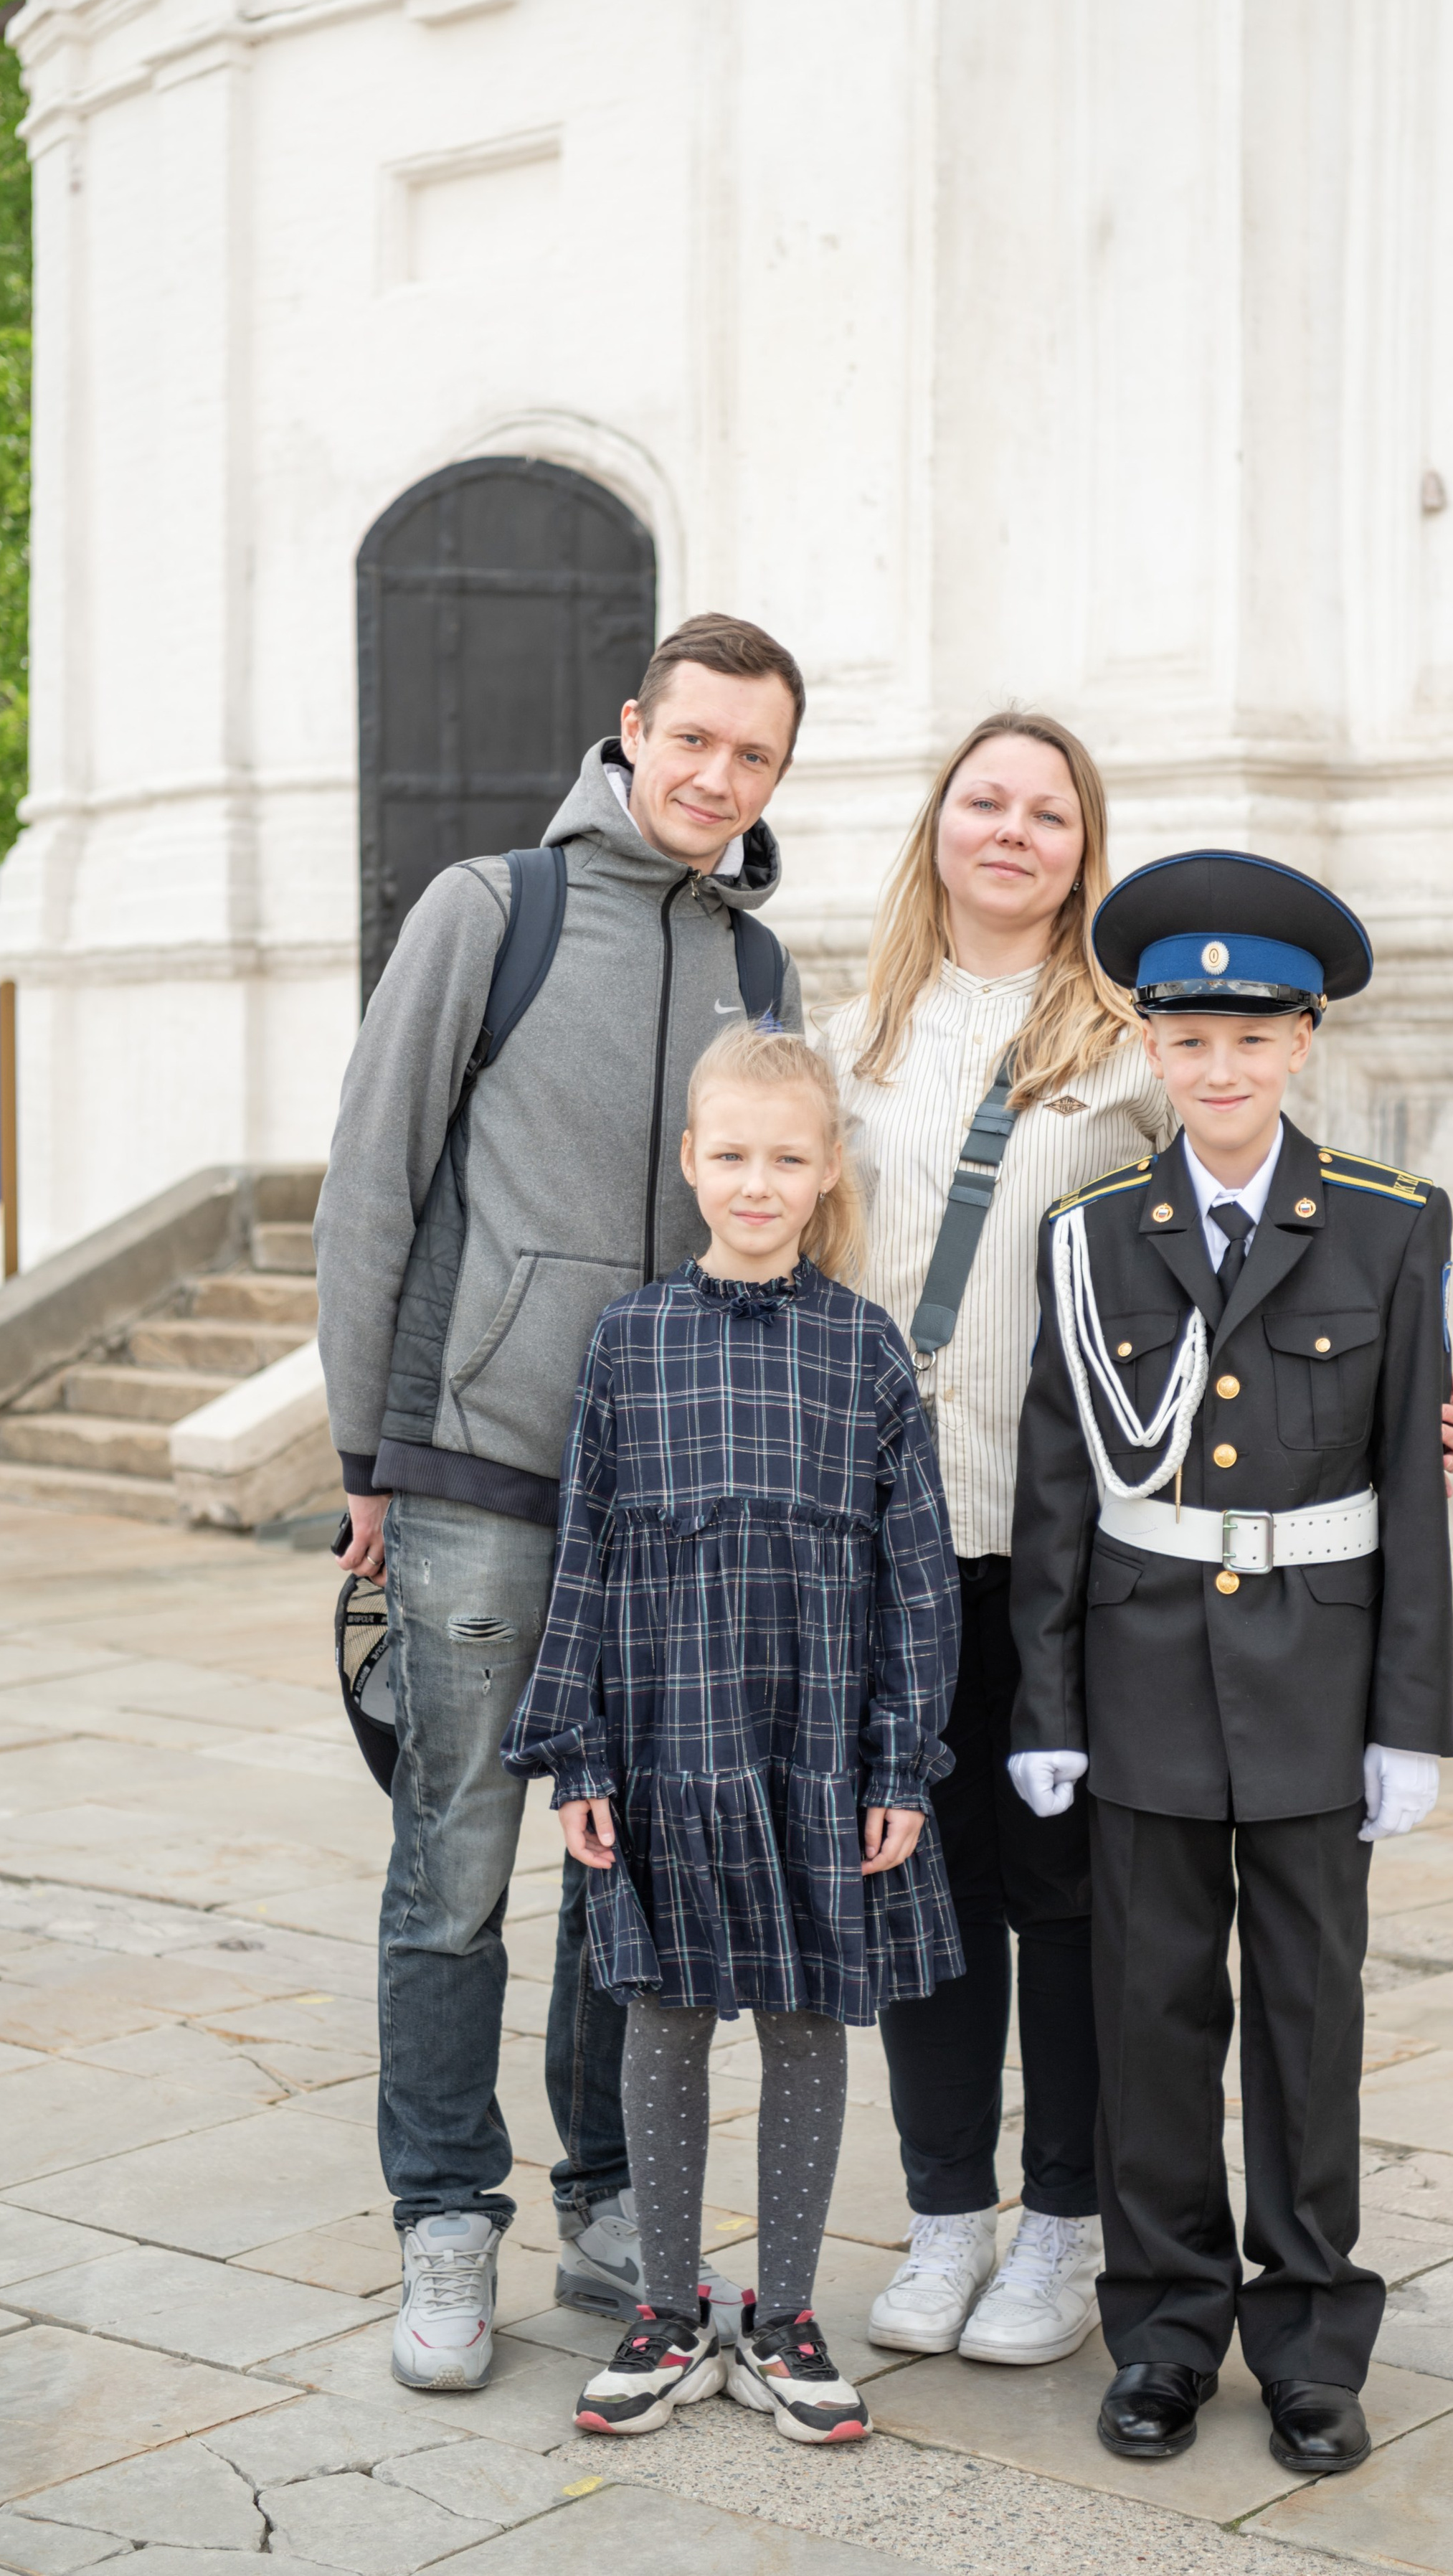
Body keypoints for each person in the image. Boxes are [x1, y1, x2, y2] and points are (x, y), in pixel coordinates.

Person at [821, 717, 1453, 2369]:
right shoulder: (847, 1040)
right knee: (966, 1911)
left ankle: (1122, 2255)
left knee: (1156, 1952)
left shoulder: (1151, 1068)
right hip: (928, 1550)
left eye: (1048, 809)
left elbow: (1316, 1340)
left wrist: (1408, 1478)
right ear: (935, 825)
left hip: (1179, 1595)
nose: (1012, 829)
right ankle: (1026, 2252)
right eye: (983, 798)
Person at [314, 614, 807, 2390]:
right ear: (633, 729)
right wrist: (363, 1452)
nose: (715, 778)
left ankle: (607, 2195)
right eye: (695, 740)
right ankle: (447, 2216)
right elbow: (373, 1176)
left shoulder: (761, 967)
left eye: (752, 757)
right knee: (452, 1860)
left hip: (673, 1502)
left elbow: (776, 1224)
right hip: (475, 1475)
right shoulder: (489, 908)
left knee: (628, 1867)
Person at [1007, 849, 1453, 2477]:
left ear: (1302, 1044)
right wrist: (1043, 1706)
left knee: (1306, 2025)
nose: (1217, 1067)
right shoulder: (1090, 1233)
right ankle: (1166, 2325)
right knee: (1148, 2015)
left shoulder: (1390, 1227)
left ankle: (1313, 2336)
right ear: (1147, 1045)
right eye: (1186, 1037)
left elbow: (1408, 1480)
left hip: (1314, 1685)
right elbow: (1057, 1484)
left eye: (1250, 1037)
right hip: (1134, 1682)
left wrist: (1410, 1720)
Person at [503, 1024, 962, 2443]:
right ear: (690, 1161)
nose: (754, 1182)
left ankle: (783, 2314)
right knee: (664, 2011)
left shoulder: (866, 1351)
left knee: (808, 2020)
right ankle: (660, 2308)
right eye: (730, 1155)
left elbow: (918, 1576)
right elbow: (581, 1552)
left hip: (817, 1741)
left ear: (826, 1172)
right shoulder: (631, 1344)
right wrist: (576, 1749)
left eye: (785, 1157)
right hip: (664, 1743)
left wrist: (899, 1763)